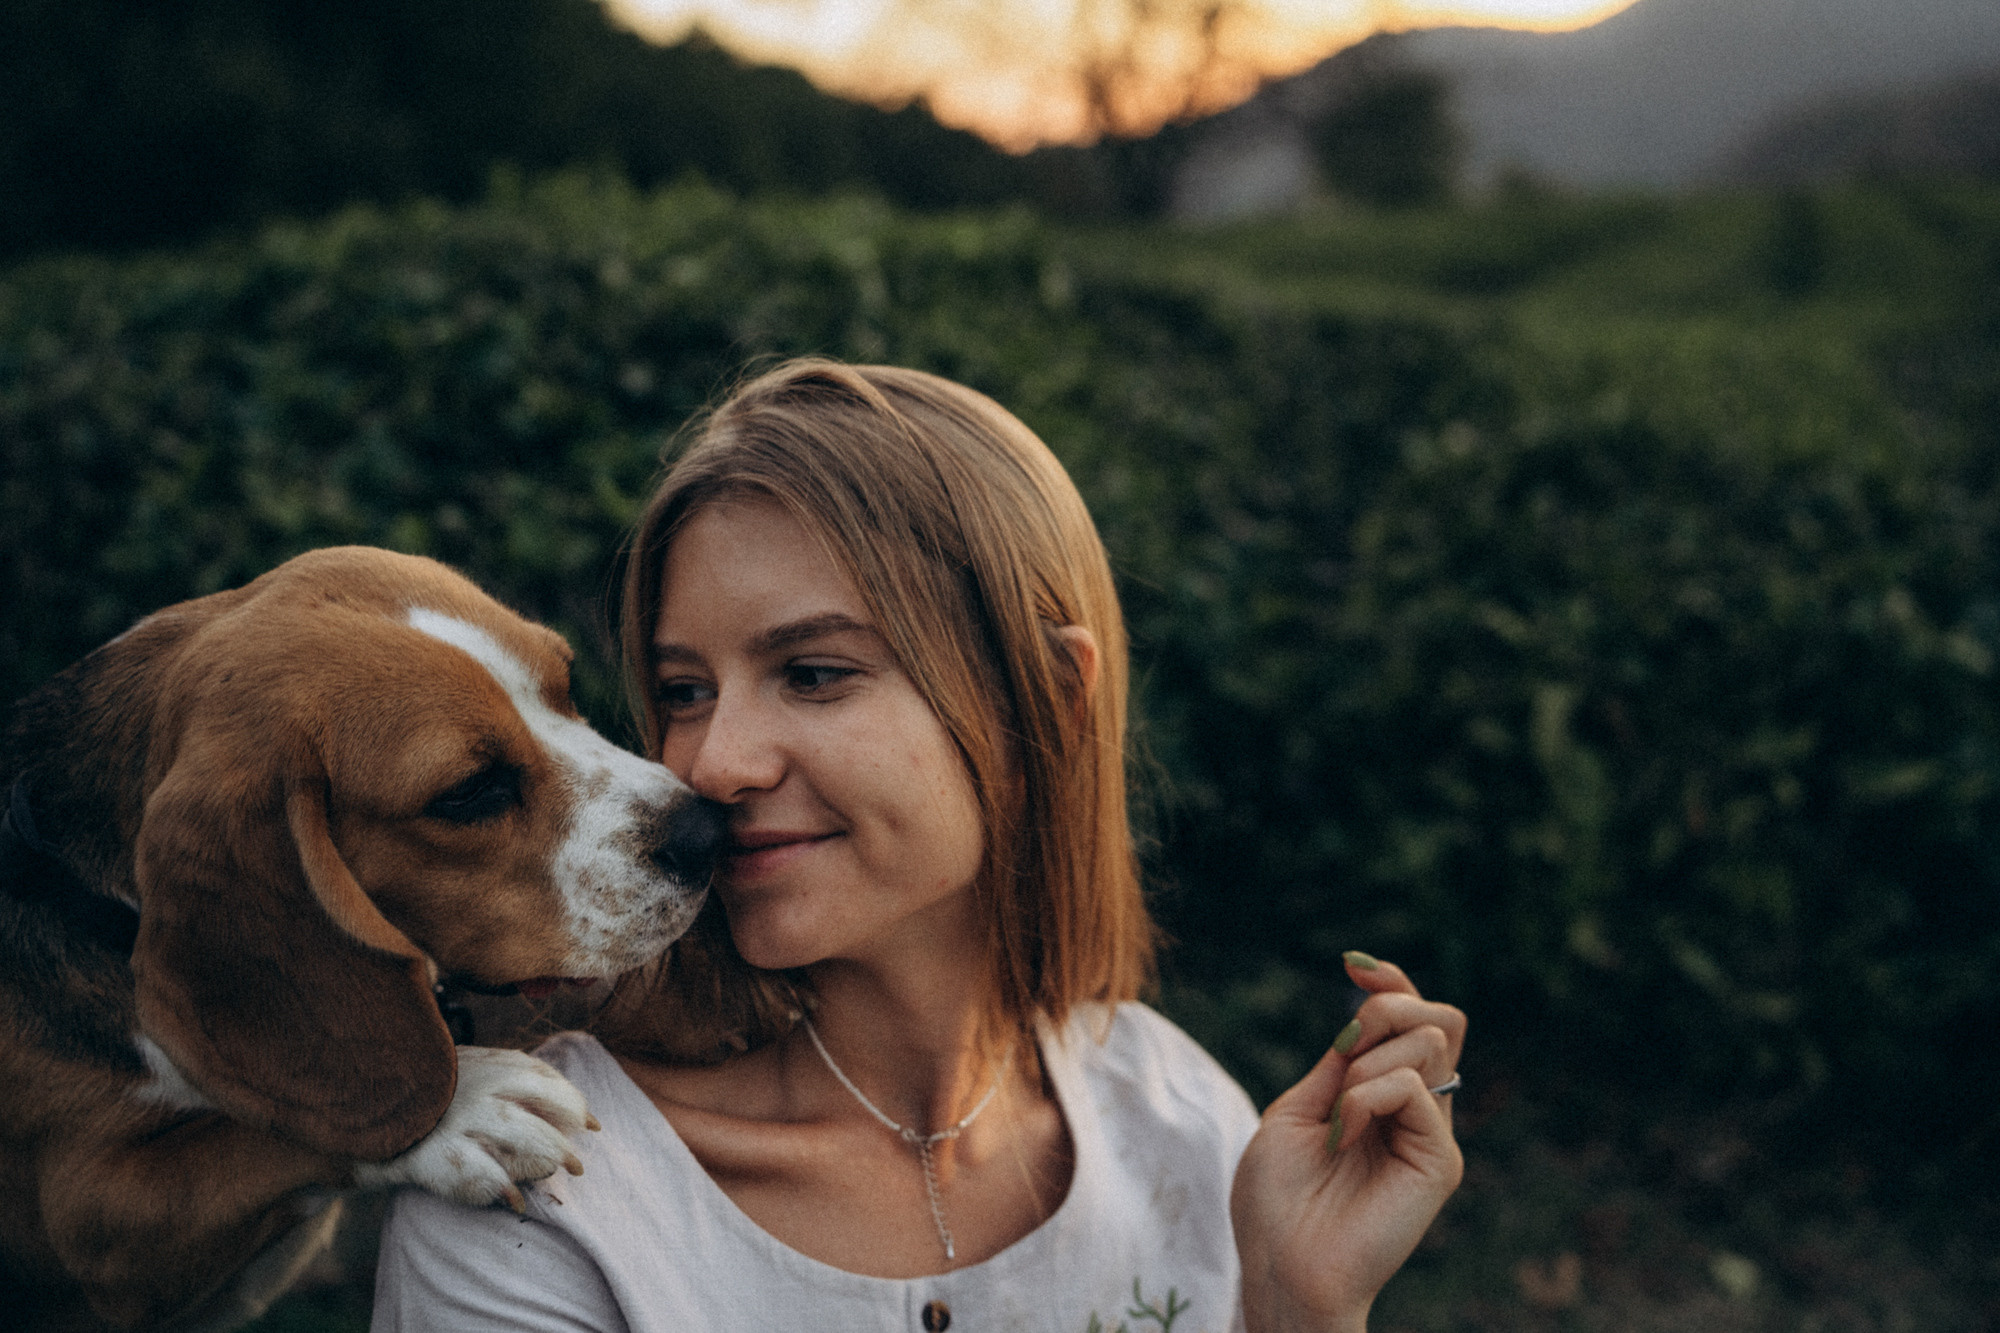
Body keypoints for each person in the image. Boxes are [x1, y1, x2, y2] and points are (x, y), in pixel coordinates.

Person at [372, 358, 1466, 1332]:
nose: (710, 765)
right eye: (681, 690)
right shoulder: (535, 1192)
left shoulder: (1185, 1132)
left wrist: (1301, 1312)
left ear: (1046, 694)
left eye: (813, 672)